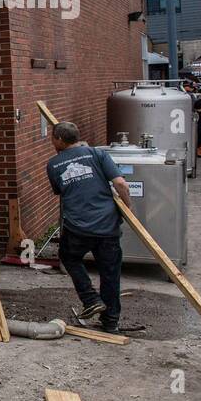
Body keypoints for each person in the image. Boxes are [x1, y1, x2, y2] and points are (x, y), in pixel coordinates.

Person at [46, 121, 134, 333]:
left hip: (79, 227)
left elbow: (59, 190)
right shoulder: (97, 154)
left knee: (69, 257)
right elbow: (121, 184)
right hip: (107, 225)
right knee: (110, 273)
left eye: (52, 138)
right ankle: (110, 323)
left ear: (58, 139)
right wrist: (127, 209)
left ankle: (90, 298)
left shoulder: (54, 164)